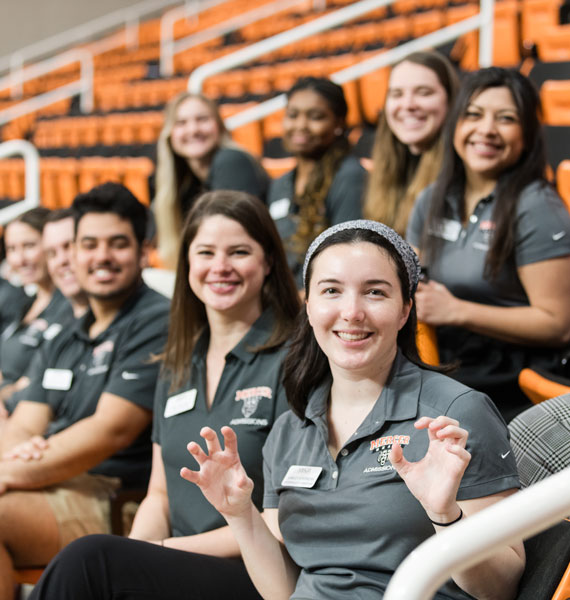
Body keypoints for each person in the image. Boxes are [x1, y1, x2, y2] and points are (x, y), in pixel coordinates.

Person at [174, 220, 525, 600]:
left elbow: (503, 589)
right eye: (331, 291)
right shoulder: (290, 429)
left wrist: (445, 516)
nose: (352, 312)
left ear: (406, 309)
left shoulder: (457, 412)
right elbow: (283, 591)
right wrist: (240, 514)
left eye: (375, 292)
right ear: (309, 307)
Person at [28, 190, 301, 600]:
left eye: (239, 252)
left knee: (89, 561)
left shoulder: (294, 360)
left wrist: (153, 553)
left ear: (268, 262)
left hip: (256, 572)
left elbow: (280, 522)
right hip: (176, 565)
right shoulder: (175, 362)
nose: (220, 267)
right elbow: (159, 494)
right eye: (206, 252)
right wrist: (139, 551)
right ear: (187, 264)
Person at [0, 182, 170, 600]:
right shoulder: (68, 332)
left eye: (118, 244)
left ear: (142, 250)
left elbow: (109, 431)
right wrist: (11, 463)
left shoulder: (157, 320)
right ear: (73, 252)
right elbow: (24, 422)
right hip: (48, 482)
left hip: (114, 497)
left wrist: (9, 472)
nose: (102, 257)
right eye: (89, 244)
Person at [406, 67, 570, 422]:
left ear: (526, 134)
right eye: (474, 114)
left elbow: (558, 325)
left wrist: (457, 311)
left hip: (513, 376)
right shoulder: (431, 198)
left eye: (506, 118)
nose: (486, 130)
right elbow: (412, 285)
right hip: (448, 362)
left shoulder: (536, 205)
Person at [267, 77, 366, 287]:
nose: (301, 126)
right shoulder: (280, 184)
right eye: (292, 115)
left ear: (339, 123)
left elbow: (348, 259)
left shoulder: (349, 177)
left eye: (316, 117)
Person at [153, 92, 270, 270]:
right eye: (181, 123)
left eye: (202, 119)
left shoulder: (231, 161)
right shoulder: (185, 182)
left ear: (220, 127)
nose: (193, 130)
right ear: (170, 134)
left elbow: (233, 242)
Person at [0, 209, 89, 416]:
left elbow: (34, 383)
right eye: (11, 249)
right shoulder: (22, 302)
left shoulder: (70, 306)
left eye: (29, 246)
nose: (20, 259)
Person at [364, 50, 459, 236]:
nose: (408, 104)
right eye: (397, 94)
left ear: (451, 101)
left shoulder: (462, 175)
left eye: (424, 93)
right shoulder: (383, 171)